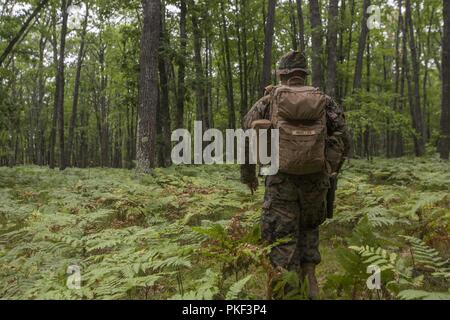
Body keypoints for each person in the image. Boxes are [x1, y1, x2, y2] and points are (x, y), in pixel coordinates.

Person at [240, 51, 350, 299]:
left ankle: (286, 290)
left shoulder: (268, 102)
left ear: (282, 74)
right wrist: (330, 171)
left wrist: (249, 176)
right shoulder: (325, 101)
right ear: (303, 74)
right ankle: (310, 280)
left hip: (280, 181)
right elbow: (345, 138)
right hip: (317, 181)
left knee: (281, 237)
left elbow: (246, 134)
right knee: (309, 227)